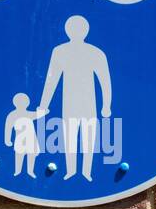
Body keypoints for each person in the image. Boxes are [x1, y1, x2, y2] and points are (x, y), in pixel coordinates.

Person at [36, 15, 111, 181]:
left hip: (86, 103)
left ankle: (86, 172)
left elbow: (105, 81)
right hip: (71, 103)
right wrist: (43, 105)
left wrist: (106, 106)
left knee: (86, 138)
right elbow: (51, 80)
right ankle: (73, 171)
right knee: (72, 138)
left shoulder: (94, 53)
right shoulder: (61, 51)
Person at [4, 93, 40, 177]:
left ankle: (30, 171)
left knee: (31, 155)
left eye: (24, 102)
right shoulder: (12, 115)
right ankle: (17, 171)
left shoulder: (28, 113)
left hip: (31, 139)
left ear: (27, 103)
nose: (22, 104)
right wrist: (7, 140)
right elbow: (8, 128)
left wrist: (43, 112)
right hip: (20, 139)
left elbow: (36, 115)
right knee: (19, 155)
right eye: (20, 102)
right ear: (15, 103)